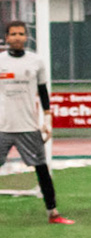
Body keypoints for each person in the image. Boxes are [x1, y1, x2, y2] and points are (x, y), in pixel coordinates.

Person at [0, 20, 70, 224]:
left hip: (28, 127)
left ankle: (53, 213)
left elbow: (42, 91)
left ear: (26, 37)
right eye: (13, 34)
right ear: (7, 37)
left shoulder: (36, 61)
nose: (17, 37)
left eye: (21, 34)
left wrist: (47, 119)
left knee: (42, 170)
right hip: (2, 127)